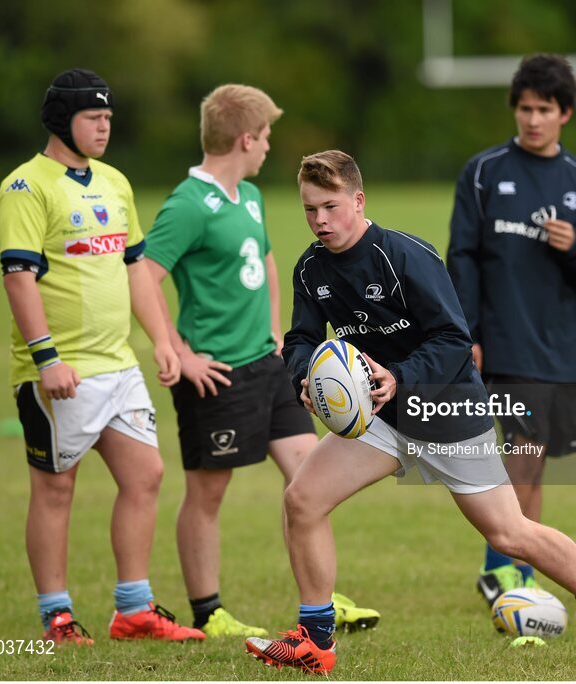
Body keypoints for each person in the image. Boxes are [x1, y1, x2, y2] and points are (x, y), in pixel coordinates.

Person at [242, 150, 576, 675]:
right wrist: (305, 378)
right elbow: (299, 340)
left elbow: (456, 340)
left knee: (509, 534)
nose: (320, 220)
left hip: (446, 409)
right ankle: (316, 642)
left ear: (358, 201)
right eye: (310, 209)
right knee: (303, 499)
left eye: (330, 206)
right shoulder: (311, 268)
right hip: (380, 417)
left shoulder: (405, 256)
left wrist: (399, 376)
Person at [144, 84, 379, 637]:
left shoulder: (247, 197)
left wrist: (277, 334)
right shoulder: (187, 204)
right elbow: (144, 275)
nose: (270, 145)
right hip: (218, 372)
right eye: (267, 135)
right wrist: (177, 351)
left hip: (267, 366)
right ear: (246, 138)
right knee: (208, 492)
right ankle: (209, 610)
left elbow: (268, 262)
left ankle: (321, 600)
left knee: (309, 479)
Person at [0, 68, 204, 643]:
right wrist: (47, 360)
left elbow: (135, 266)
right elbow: (19, 280)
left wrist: (162, 340)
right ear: (64, 120)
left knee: (147, 475)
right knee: (56, 487)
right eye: (94, 117)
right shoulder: (25, 187)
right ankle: (56, 616)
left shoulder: (115, 182)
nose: (105, 126)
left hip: (119, 365)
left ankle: (133, 609)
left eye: (109, 117)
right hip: (62, 370)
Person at [446, 54, 576, 605]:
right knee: (518, 458)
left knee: (533, 463)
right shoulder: (483, 171)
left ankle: (515, 577)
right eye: (525, 109)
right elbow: (462, 257)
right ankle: (504, 576)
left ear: (565, 113)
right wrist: (465, 332)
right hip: (503, 342)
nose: (533, 119)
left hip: (561, 348)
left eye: (544, 109)